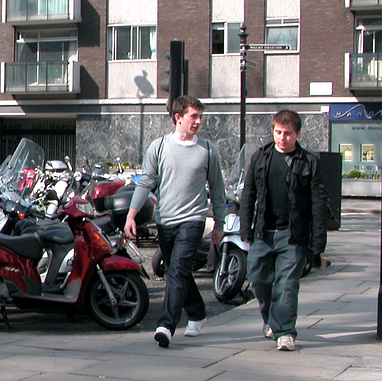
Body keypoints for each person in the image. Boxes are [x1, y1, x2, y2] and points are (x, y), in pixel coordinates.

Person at [124, 95, 225, 348]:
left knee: (178, 270)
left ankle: (166, 325)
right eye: (194, 116)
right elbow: (146, 181)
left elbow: (218, 188)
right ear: (178, 118)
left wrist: (220, 224)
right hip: (166, 220)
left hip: (193, 219)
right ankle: (198, 313)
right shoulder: (158, 147)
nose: (198, 122)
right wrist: (132, 214)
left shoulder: (208, 151)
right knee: (177, 271)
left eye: (200, 117)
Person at [239, 110, 328, 352]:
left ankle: (286, 332)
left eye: (288, 133)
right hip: (263, 233)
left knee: (286, 284)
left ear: (297, 134)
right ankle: (270, 319)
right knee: (258, 279)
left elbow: (318, 202)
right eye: (278, 132)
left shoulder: (308, 162)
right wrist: (245, 227)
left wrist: (317, 241)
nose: (282, 137)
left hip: (293, 235)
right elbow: (249, 194)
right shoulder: (261, 158)